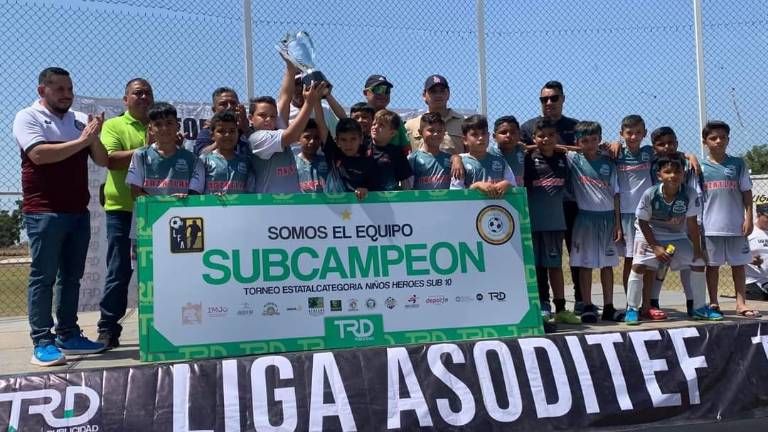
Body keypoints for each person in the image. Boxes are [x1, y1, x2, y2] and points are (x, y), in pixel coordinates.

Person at [13, 67, 109, 366]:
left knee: (71, 278)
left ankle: (68, 334)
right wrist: (83, 140)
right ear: (42, 90)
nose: (67, 95)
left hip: (78, 211)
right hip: (44, 212)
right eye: (60, 90)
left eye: (70, 89)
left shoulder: (80, 120)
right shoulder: (27, 117)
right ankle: (42, 341)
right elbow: (39, 155)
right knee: (43, 278)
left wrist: (94, 137)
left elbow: (102, 160)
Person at [624, 155, 720, 324]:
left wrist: (697, 250)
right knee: (638, 265)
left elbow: (692, 224)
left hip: (676, 235)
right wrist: (655, 247)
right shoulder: (650, 193)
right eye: (667, 172)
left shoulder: (689, 193)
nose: (673, 176)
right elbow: (643, 222)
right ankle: (632, 309)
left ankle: (699, 308)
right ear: (659, 175)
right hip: (649, 232)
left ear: (683, 174)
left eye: (677, 172)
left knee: (698, 263)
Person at [96, 77, 154, 350]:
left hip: (156, 212)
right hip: (124, 211)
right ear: (126, 99)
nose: (143, 97)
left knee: (162, 272)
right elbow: (111, 160)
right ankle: (108, 328)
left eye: (147, 93)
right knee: (119, 271)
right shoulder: (114, 125)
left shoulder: (160, 125)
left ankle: (164, 326)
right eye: (137, 93)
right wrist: (149, 148)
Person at [520, 81, 583, 311]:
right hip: (541, 203)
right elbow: (519, 149)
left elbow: (587, 150)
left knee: (575, 253)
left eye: (554, 98)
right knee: (541, 258)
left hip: (570, 201)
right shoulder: (528, 126)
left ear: (563, 99)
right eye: (544, 99)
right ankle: (544, 302)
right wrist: (545, 148)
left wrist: (562, 149)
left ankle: (581, 300)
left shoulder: (575, 126)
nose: (549, 102)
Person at [700, 120, 760, 318]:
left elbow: (747, 193)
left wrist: (748, 218)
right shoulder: (700, 167)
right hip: (710, 227)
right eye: (713, 138)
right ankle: (714, 302)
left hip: (736, 226)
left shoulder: (738, 164)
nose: (718, 141)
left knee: (738, 265)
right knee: (712, 266)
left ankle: (741, 303)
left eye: (722, 137)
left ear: (728, 139)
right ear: (705, 142)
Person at [566, 121, 623, 323]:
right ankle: (588, 306)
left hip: (607, 219)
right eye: (584, 141)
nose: (590, 144)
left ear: (600, 139)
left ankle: (608, 307)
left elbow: (616, 195)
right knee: (585, 265)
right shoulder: (573, 159)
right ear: (577, 142)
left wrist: (618, 224)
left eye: (594, 140)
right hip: (585, 219)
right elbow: (554, 147)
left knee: (607, 265)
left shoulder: (609, 162)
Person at [645, 127, 700, 317]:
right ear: (654, 147)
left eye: (670, 143)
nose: (667, 147)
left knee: (689, 263)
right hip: (657, 223)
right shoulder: (650, 162)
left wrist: (690, 156)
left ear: (677, 143)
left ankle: (693, 304)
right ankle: (653, 301)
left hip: (679, 224)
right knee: (659, 265)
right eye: (661, 144)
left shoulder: (685, 164)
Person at [247, 60, 324, 193]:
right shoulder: (257, 138)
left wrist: (290, 66)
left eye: (273, 116)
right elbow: (292, 136)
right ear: (251, 118)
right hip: (271, 202)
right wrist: (309, 102)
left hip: (291, 202)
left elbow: (285, 97)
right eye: (262, 115)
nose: (268, 119)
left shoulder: (276, 126)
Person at [126, 102, 205, 201]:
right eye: (158, 124)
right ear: (150, 129)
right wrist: (167, 202)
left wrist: (185, 199)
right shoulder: (140, 155)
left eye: (169, 123)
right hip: (150, 211)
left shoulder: (193, 160)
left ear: (178, 126)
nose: (164, 128)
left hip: (182, 210)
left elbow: (195, 196)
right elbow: (135, 194)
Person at [613, 115, 653, 294]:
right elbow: (587, 148)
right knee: (630, 259)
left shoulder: (649, 152)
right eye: (629, 133)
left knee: (649, 259)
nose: (634, 137)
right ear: (621, 134)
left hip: (648, 214)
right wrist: (613, 144)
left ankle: (648, 301)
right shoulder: (616, 153)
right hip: (627, 214)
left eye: (638, 132)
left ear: (645, 133)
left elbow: (673, 152)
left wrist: (690, 155)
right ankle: (630, 301)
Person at [452, 115, 516, 196]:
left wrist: (507, 184)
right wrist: (476, 186)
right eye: (475, 134)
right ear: (465, 140)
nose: (481, 138)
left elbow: (515, 187)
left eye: (483, 133)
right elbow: (455, 193)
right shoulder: (460, 162)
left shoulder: (501, 162)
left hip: (497, 204)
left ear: (488, 136)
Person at [404, 75, 465, 153]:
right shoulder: (410, 126)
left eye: (442, 91)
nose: (438, 95)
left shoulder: (463, 122)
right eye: (433, 91)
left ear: (448, 94)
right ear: (424, 95)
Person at [201, 110, 254, 194]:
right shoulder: (204, 160)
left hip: (239, 203)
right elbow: (196, 190)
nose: (227, 135)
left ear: (238, 134)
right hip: (211, 203)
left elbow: (251, 191)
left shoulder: (246, 162)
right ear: (212, 135)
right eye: (221, 131)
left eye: (232, 131)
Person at [190, 87, 250, 156]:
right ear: (214, 109)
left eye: (233, 103)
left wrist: (245, 128)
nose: (229, 107)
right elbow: (201, 154)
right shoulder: (208, 131)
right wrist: (220, 139)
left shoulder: (251, 127)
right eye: (223, 104)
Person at [369, 110, 413, 191]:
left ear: (392, 133)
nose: (375, 127)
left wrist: (407, 197)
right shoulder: (362, 149)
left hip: (390, 197)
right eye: (374, 124)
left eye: (381, 125)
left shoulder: (396, 153)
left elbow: (404, 181)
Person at [407, 113, 453, 190]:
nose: (436, 134)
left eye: (440, 130)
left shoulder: (450, 159)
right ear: (420, 132)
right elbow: (408, 188)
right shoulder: (413, 158)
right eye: (431, 130)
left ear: (444, 132)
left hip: (447, 198)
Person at [362, 74, 410, 147]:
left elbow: (406, 148)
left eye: (387, 90)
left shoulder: (395, 120)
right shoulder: (359, 118)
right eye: (378, 89)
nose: (383, 94)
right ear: (365, 93)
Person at [295, 119, 330, 193]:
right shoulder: (292, 163)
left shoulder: (328, 161)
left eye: (316, 138)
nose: (312, 141)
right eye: (307, 137)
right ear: (298, 138)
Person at [490, 116, 525, 185]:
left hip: (518, 191)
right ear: (494, 137)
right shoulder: (488, 154)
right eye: (503, 132)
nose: (508, 135)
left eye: (513, 132)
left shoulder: (521, 151)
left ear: (519, 135)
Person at [746, 204, 768, 298]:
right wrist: (749, 258)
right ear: (759, 215)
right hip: (754, 281)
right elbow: (735, 254)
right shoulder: (749, 232)